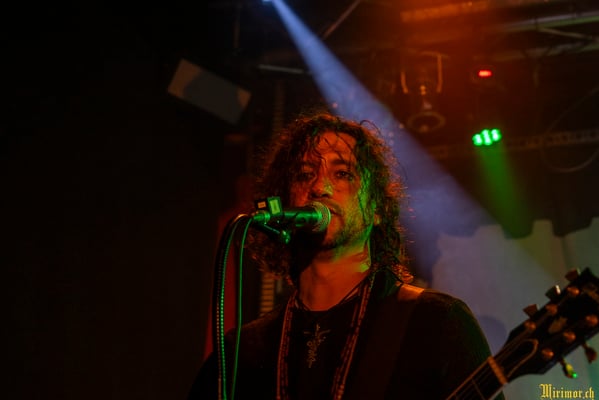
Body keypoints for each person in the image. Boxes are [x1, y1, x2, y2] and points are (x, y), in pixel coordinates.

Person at [188, 112, 504, 400]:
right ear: (285, 201)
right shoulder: (243, 350)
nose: (319, 186)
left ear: (377, 208)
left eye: (342, 173)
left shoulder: (435, 321)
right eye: (304, 174)